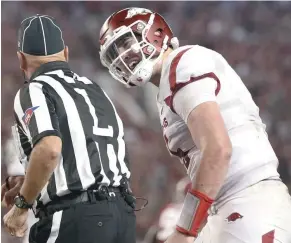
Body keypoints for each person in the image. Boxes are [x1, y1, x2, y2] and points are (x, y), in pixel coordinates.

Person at [98, 7, 291, 243]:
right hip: (229, 205)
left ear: (155, 32)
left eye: (127, 42)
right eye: (115, 52)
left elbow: (218, 150)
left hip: (248, 201)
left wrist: (184, 230)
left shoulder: (181, 63)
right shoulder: (170, 82)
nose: (124, 55)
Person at [2, 14, 136, 243]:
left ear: (21, 59)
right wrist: (29, 185)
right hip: (122, 216)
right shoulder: (96, 90)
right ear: (65, 53)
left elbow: (49, 149)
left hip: (75, 219)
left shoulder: (35, 89)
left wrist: (22, 206)